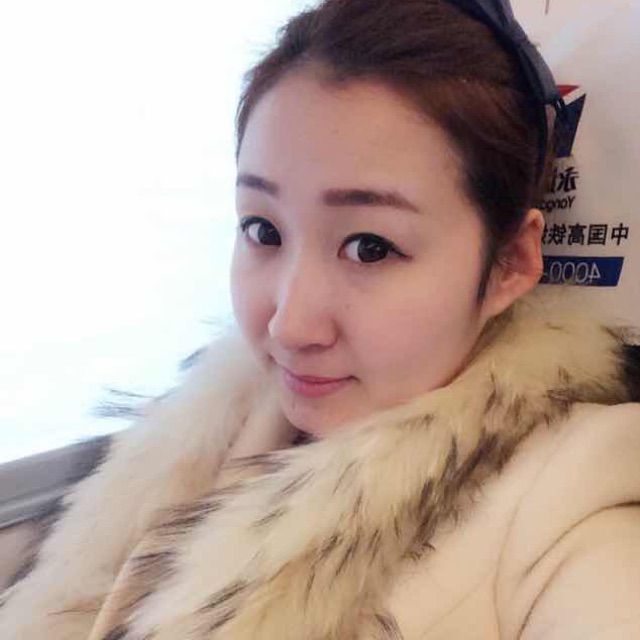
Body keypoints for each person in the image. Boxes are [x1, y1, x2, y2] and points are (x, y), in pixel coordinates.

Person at [1, 0, 639, 638]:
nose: (289, 326)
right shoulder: (199, 431)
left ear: (509, 264)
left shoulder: (570, 504)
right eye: (263, 230)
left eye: (371, 247)